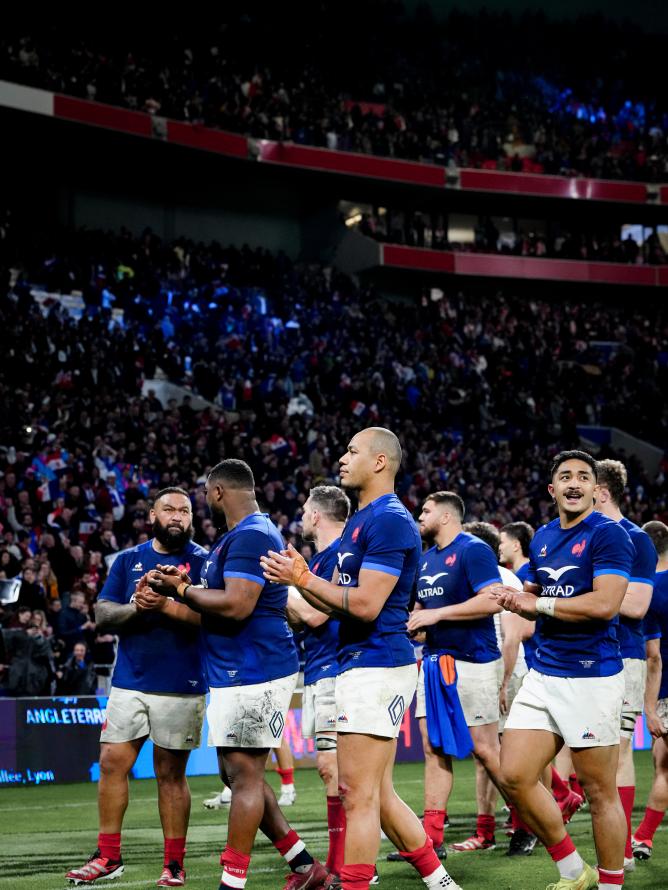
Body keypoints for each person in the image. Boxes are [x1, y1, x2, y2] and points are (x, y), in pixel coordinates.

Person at [262, 428, 462, 890]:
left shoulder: (390, 520)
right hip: (361, 662)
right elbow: (333, 603)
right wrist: (303, 580)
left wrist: (305, 580)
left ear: (379, 462)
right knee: (380, 794)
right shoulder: (361, 521)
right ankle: (441, 882)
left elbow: (368, 604)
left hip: (377, 663)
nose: (341, 458)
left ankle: (352, 884)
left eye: (352, 451)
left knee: (356, 795)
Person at [148, 460, 327, 890]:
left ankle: (232, 882)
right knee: (236, 774)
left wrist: (183, 590)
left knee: (244, 776)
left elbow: (237, 605)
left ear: (217, 493)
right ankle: (305, 866)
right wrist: (170, 601)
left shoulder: (250, 535)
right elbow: (217, 615)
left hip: (256, 669)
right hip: (237, 669)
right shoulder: (243, 536)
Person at [496, 450, 634, 890]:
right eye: (564, 476)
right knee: (514, 774)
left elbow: (605, 603)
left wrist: (538, 603)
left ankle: (611, 886)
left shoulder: (609, 535)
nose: (574, 483)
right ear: (552, 489)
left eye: (583, 476)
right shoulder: (542, 538)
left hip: (592, 676)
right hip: (544, 673)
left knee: (599, 792)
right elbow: (538, 593)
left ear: (596, 489)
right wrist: (519, 597)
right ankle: (575, 871)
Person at [66, 487, 208, 888]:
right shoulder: (128, 560)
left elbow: (213, 619)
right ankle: (108, 856)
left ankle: (174, 864)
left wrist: (166, 604)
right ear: (152, 516)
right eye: (170, 509)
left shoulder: (204, 562)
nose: (178, 516)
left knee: (170, 774)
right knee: (112, 761)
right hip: (129, 681)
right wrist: (137, 607)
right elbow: (103, 613)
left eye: (185, 510)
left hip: (182, 683)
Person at [405, 502, 504, 856]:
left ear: (446, 516)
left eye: (426, 511)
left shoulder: (473, 549)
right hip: (433, 663)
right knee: (432, 747)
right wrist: (415, 625)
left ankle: (529, 823)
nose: (420, 517)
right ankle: (432, 840)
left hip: (473, 662)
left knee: (487, 752)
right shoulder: (425, 560)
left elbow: (493, 601)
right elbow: (420, 612)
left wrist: (437, 615)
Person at [285, 485, 350, 879]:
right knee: (339, 772)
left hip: (338, 672)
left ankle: (345, 865)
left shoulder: (341, 555)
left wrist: (278, 589)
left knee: (333, 768)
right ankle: (349, 861)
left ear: (317, 516)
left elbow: (317, 616)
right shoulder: (322, 559)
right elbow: (303, 617)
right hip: (321, 669)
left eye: (305, 509)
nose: (302, 516)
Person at [594, 459, 655, 871]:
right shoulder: (581, 538)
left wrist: (591, 603)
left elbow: (636, 605)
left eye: (583, 480)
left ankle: (625, 847)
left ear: (601, 491)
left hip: (624, 655)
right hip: (582, 656)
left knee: (617, 750)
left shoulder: (637, 539)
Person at [632, 520, 668, 861]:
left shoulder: (648, 590)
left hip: (666, 689)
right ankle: (643, 837)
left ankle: (643, 838)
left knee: (663, 768)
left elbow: (652, 656)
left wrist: (650, 707)